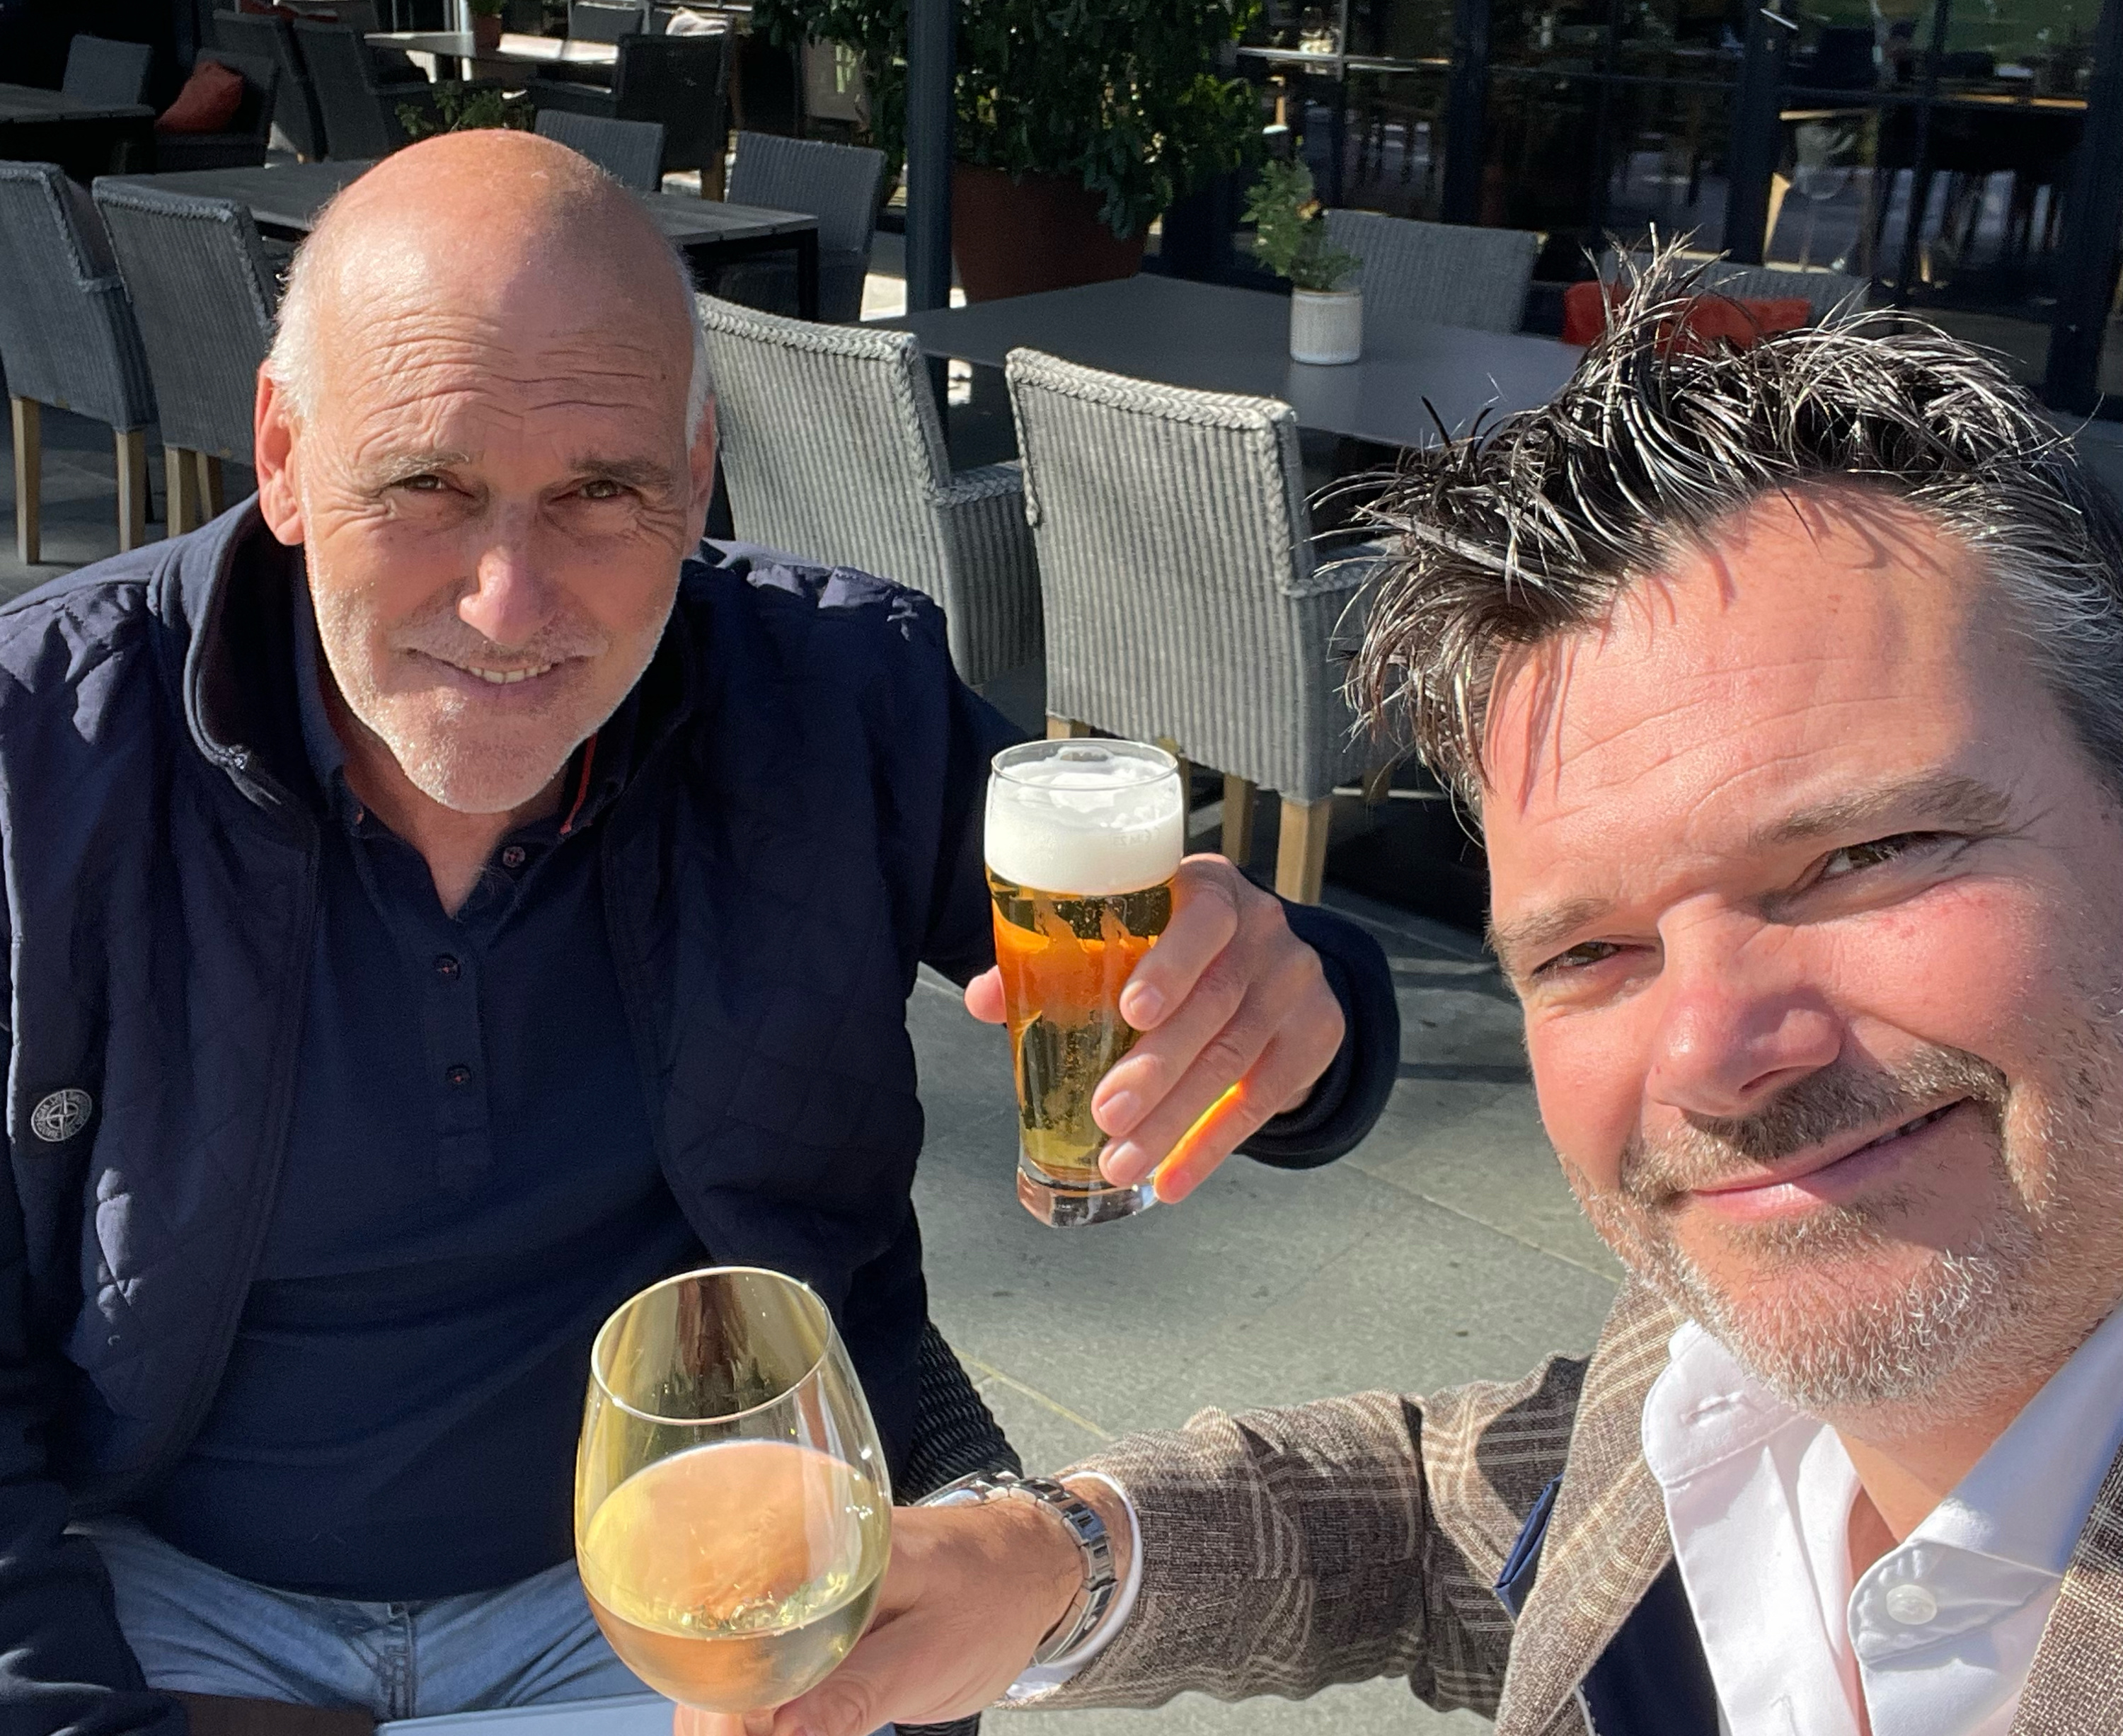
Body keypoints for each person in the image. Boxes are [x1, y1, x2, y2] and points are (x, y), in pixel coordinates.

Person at [0, 132, 1398, 1736]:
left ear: (698, 471)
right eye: (427, 486)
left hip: (706, 1587)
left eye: (601, 492)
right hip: (160, 1589)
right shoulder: (39, 758)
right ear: (286, 455)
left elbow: (1278, 1010)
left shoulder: (832, 701)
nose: (510, 603)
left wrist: (1290, 1012)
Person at [714, 265, 2123, 1736]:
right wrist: (1055, 1559)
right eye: (1589, 952)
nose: (1712, 1054)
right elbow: (1469, 1513)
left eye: (1864, 857)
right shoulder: (1702, 1375)